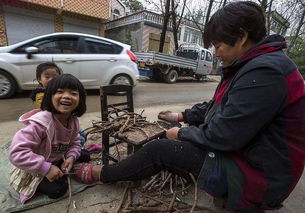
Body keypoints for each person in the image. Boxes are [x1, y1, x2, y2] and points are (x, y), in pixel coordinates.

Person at [73, 1, 305, 212]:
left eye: (218, 45)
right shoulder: (252, 64)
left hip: (260, 174)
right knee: (183, 136)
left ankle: (104, 174)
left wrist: (181, 132)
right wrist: (182, 115)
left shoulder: (265, 72)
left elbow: (224, 135)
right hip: (250, 153)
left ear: (242, 37)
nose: (216, 53)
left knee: (160, 150)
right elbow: (220, 107)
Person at [9, 74, 88, 203]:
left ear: (80, 100)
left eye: (73, 93)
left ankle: (60, 165)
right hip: (33, 166)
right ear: (49, 97)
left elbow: (75, 142)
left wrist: (71, 157)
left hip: (55, 157)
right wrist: (46, 168)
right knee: (58, 190)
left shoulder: (73, 121)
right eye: (60, 92)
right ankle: (40, 180)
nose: (67, 96)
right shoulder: (40, 124)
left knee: (84, 155)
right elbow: (16, 153)